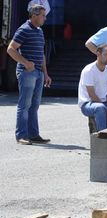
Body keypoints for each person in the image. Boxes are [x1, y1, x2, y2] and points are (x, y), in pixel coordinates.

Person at [7, 4, 52, 145]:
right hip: (27, 73)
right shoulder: (23, 29)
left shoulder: (39, 31)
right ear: (34, 16)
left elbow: (41, 54)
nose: (45, 18)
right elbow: (10, 49)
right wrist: (25, 63)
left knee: (35, 105)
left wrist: (45, 73)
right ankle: (21, 136)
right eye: (43, 16)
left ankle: (33, 134)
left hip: (38, 73)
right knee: (24, 105)